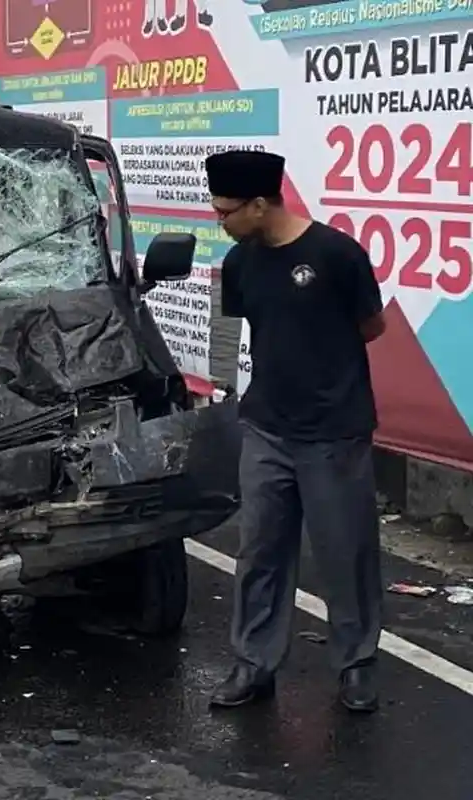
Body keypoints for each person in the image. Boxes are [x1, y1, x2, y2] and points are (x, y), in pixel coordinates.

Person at [205, 149, 386, 714]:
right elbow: (229, 329)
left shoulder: (336, 254)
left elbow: (372, 326)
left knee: (345, 553)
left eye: (226, 212)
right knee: (259, 550)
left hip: (334, 431)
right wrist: (219, 390)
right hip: (266, 429)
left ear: (260, 205)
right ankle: (253, 663)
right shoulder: (238, 263)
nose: (220, 222)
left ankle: (356, 664)